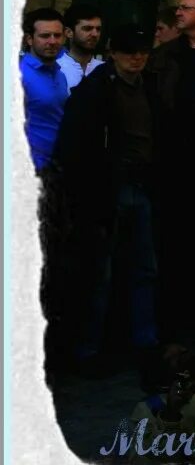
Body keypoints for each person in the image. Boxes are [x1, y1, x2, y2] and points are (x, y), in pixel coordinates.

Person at [51, 27, 163, 375]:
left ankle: (142, 340)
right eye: (130, 52)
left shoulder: (149, 87)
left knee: (143, 268)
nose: (137, 58)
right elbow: (76, 144)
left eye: (142, 52)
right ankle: (89, 348)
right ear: (114, 53)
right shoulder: (97, 89)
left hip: (140, 184)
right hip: (107, 188)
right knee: (100, 272)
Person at [20, 7, 70, 174]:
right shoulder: (18, 74)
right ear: (30, 39)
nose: (52, 41)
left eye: (57, 35)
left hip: (54, 167)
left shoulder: (60, 74)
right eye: (44, 36)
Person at [59, 3, 104, 90]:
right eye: (87, 28)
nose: (95, 34)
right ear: (69, 32)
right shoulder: (56, 68)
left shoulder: (105, 70)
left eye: (98, 29)